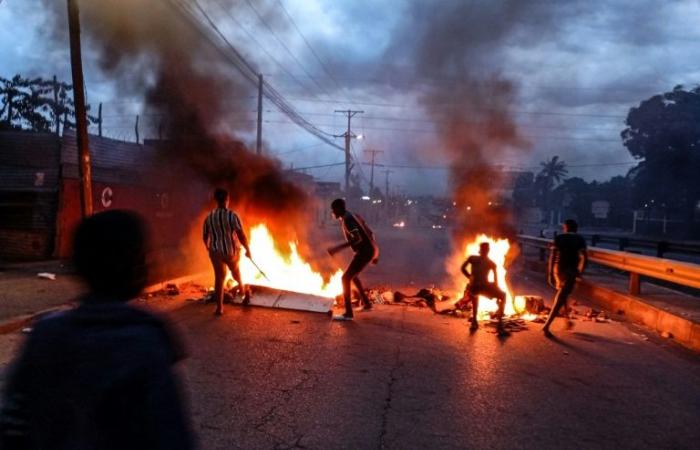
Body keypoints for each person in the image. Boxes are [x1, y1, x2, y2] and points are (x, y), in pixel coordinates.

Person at [0, 210, 194, 450]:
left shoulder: (45, 334)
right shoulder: (146, 345)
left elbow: (13, 427)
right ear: (137, 270)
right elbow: (171, 437)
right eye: (144, 257)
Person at [327, 198, 379, 321]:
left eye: (333, 210)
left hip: (364, 252)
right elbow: (370, 233)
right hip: (367, 251)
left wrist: (337, 248)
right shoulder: (353, 216)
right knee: (353, 276)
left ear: (339, 209)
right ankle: (367, 304)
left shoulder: (348, 220)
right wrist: (375, 251)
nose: (333, 212)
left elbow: (357, 239)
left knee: (345, 278)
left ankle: (348, 313)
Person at [203, 188, 251, 315]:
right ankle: (242, 290)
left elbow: (205, 235)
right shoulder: (232, 215)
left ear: (216, 200)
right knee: (236, 273)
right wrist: (248, 250)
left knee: (219, 278)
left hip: (215, 251)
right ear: (227, 200)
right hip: (230, 252)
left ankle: (219, 308)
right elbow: (241, 235)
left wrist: (208, 247)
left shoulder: (209, 217)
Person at [542, 218, 588, 338]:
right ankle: (546, 326)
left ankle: (567, 320)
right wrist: (580, 271)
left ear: (565, 227)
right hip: (571, 271)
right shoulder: (580, 239)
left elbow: (552, 256)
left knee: (563, 294)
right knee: (561, 297)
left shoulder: (559, 237)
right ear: (576, 228)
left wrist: (550, 273)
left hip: (558, 269)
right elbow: (584, 257)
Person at [461, 242, 507, 334]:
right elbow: (495, 280)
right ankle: (499, 324)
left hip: (479, 286)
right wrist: (496, 291)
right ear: (485, 250)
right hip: (480, 287)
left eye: (485, 249)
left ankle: (476, 321)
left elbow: (463, 268)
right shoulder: (488, 262)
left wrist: (470, 277)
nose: (485, 251)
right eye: (485, 249)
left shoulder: (476, 259)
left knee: (502, 295)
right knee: (502, 295)